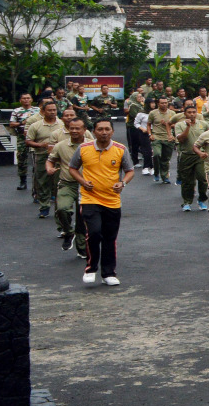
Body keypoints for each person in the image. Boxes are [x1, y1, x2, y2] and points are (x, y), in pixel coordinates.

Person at [70, 116, 135, 286]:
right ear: (93, 132)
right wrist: (83, 181)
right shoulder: (83, 149)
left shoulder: (121, 149)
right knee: (94, 232)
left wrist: (122, 183)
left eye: (107, 129)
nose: (104, 132)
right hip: (89, 198)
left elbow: (130, 171)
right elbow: (72, 168)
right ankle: (91, 269)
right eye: (100, 129)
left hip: (112, 200)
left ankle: (108, 273)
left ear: (112, 131)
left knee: (109, 237)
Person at [46, 116, 87, 256]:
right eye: (71, 128)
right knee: (62, 209)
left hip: (87, 186)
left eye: (77, 128)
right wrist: (49, 168)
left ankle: (81, 248)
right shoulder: (61, 145)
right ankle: (69, 232)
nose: (74, 131)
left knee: (83, 218)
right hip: (67, 184)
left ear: (84, 130)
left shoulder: (92, 145)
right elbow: (50, 160)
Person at [24, 99, 65, 219]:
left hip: (59, 158)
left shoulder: (62, 124)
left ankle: (59, 208)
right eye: (50, 110)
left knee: (59, 182)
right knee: (42, 181)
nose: (52, 112)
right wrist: (41, 145)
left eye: (54, 110)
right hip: (42, 155)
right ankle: (44, 207)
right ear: (43, 111)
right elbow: (28, 141)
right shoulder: (36, 126)